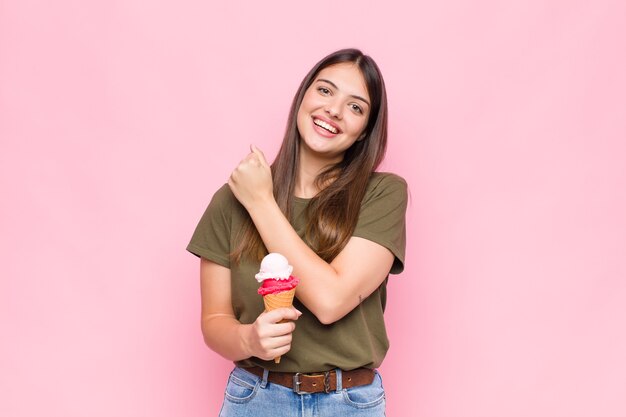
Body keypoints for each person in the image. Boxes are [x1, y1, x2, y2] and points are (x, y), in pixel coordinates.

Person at [187, 48, 407, 416]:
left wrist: (261, 203)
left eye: (356, 107)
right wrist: (249, 339)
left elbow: (331, 300)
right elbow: (214, 322)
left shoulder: (382, 194)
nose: (334, 110)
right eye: (325, 91)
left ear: (364, 130)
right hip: (255, 399)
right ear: (303, 96)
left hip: (348, 404)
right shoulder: (230, 200)